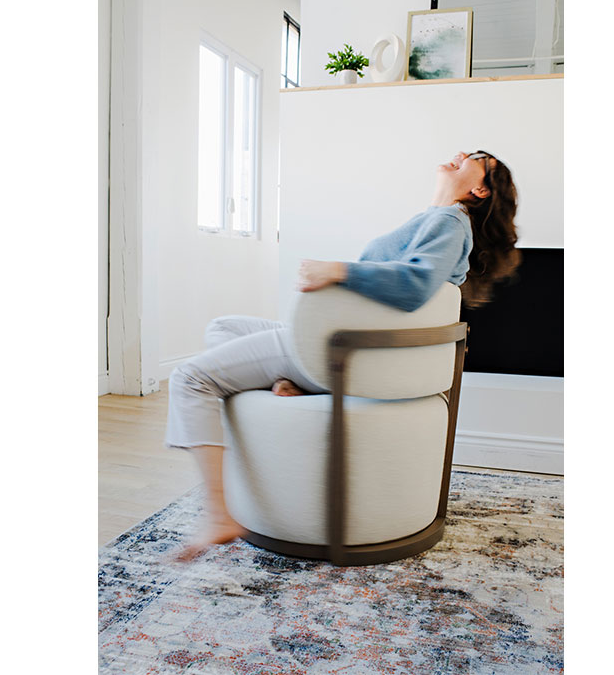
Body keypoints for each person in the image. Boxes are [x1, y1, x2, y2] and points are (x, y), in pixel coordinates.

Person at [164, 150, 522, 561]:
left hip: (341, 351)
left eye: (475, 158)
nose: (460, 154)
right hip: (337, 346)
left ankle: (218, 513)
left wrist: (338, 270)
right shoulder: (437, 219)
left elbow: (416, 285)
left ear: (479, 188)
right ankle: (299, 385)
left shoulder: (449, 222)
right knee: (224, 328)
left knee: (189, 378)